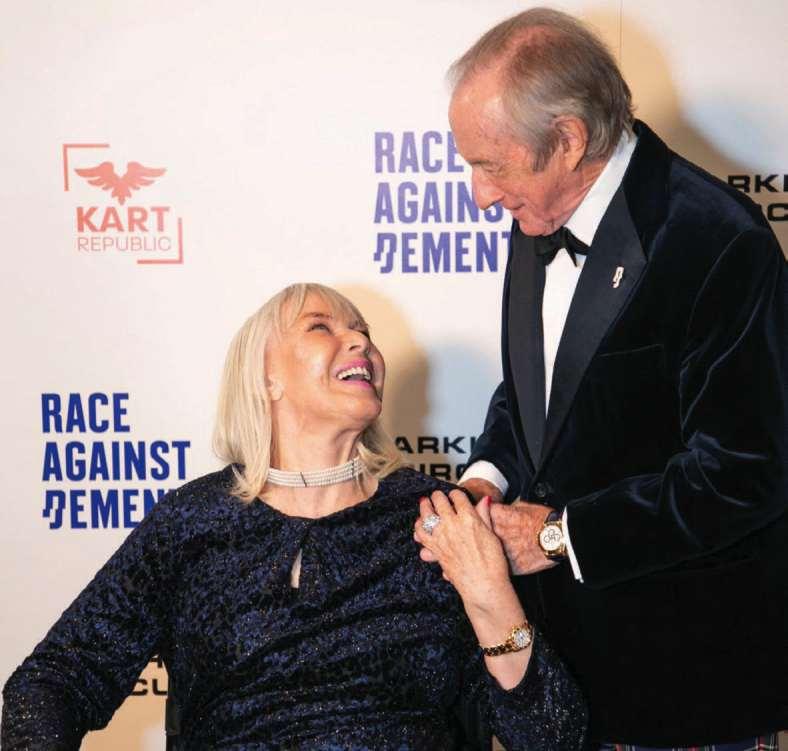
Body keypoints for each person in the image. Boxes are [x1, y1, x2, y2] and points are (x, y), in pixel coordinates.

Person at [2, 283, 586, 750]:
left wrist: (490, 595)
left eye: (364, 332)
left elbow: (553, 736)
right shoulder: (191, 521)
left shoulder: (441, 518)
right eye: (321, 327)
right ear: (266, 376)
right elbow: (53, 680)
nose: (359, 342)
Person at [440, 7, 788, 750]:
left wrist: (561, 534)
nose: (479, 194)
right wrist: (486, 480)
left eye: (490, 164)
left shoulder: (717, 240)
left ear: (568, 140)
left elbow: (743, 474)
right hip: (557, 683)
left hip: (683, 688)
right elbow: (542, 391)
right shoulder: (537, 212)